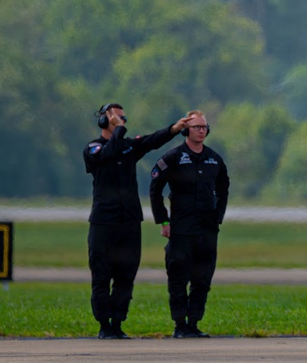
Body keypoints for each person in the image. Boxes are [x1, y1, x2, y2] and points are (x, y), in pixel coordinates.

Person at [84, 103, 191, 339]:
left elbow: (152, 141)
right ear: (103, 120)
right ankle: (104, 326)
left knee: (126, 275)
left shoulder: (128, 147)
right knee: (101, 276)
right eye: (115, 117)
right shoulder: (93, 148)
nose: (121, 121)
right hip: (104, 223)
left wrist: (174, 128)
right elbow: (108, 153)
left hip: (129, 222)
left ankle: (118, 322)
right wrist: (118, 129)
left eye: (122, 117)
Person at [149, 110, 230, 338]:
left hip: (206, 229)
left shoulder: (215, 159)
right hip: (181, 229)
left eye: (204, 127)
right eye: (196, 127)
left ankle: (194, 323)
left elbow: (224, 187)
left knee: (202, 278)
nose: (201, 130)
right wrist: (163, 220)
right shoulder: (173, 158)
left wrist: (218, 216)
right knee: (178, 278)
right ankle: (179, 325)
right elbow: (155, 188)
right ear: (186, 130)